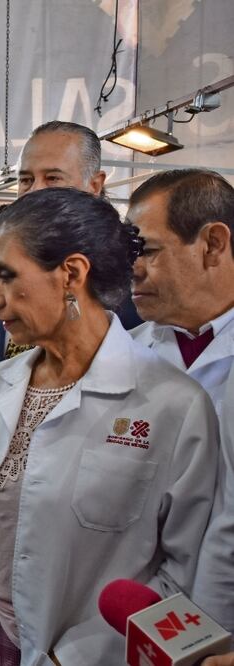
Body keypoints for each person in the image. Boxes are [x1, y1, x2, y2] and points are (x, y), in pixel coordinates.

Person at [0, 187, 219, 665]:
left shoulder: (172, 405)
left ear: (71, 274)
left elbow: (184, 572)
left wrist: (81, 656)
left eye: (7, 275)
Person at [123, 169, 234, 631]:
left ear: (212, 244)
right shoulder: (121, 356)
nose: (132, 268)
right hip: (132, 618)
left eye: (147, 251)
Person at [0, 120, 144, 370]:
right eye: (26, 179)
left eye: (52, 178)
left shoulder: (133, 281)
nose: (35, 191)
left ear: (95, 185)